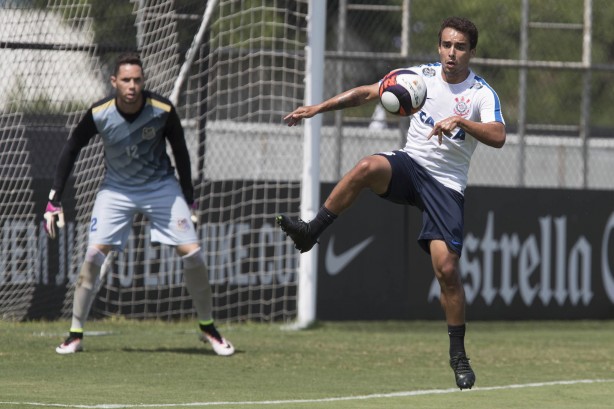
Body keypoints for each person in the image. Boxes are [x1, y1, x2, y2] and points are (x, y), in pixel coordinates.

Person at [276, 17, 505, 389]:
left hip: (446, 186)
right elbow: (369, 92)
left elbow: (498, 135)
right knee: (367, 166)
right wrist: (318, 108)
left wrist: (461, 122)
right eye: (446, 45)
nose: (452, 53)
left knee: (447, 271)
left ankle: (458, 355)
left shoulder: (481, 93)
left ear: (471, 52)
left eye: (460, 47)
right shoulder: (421, 76)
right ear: (438, 47)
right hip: (410, 166)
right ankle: (310, 232)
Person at [44, 52, 234, 356]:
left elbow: (181, 152)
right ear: (114, 82)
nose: (132, 86)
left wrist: (189, 199)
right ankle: (75, 333)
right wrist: (53, 200)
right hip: (116, 191)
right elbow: (71, 149)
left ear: (143, 81)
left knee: (194, 256)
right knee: (93, 256)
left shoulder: (161, 109)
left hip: (161, 188)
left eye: (137, 80)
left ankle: (207, 327)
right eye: (126, 80)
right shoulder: (100, 113)